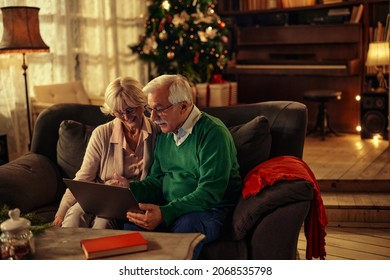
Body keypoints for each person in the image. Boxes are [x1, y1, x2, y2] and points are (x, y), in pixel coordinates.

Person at [114, 74, 242, 259]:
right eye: (150, 109)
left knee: (186, 227)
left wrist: (165, 213)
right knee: (133, 222)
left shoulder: (213, 133)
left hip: (209, 211)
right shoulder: (166, 133)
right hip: (172, 208)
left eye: (159, 109)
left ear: (183, 106)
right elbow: (157, 182)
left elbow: (210, 193)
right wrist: (128, 189)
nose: (153, 117)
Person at [52, 76, 160, 229]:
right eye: (119, 112)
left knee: (102, 224)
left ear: (141, 103)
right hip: (99, 197)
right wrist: (61, 213)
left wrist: (129, 186)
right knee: (74, 217)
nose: (126, 117)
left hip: (133, 203)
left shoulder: (158, 131)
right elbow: (83, 178)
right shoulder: (102, 133)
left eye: (130, 110)